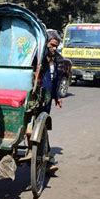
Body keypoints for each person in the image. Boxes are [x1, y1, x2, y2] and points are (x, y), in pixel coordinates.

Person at [39, 29, 63, 174]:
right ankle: (46, 158)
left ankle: (45, 158)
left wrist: (57, 96)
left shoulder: (56, 59)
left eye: (56, 46)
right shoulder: (37, 58)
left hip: (47, 99)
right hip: (35, 98)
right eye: (52, 45)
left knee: (42, 129)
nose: (54, 49)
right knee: (39, 130)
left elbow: (55, 80)